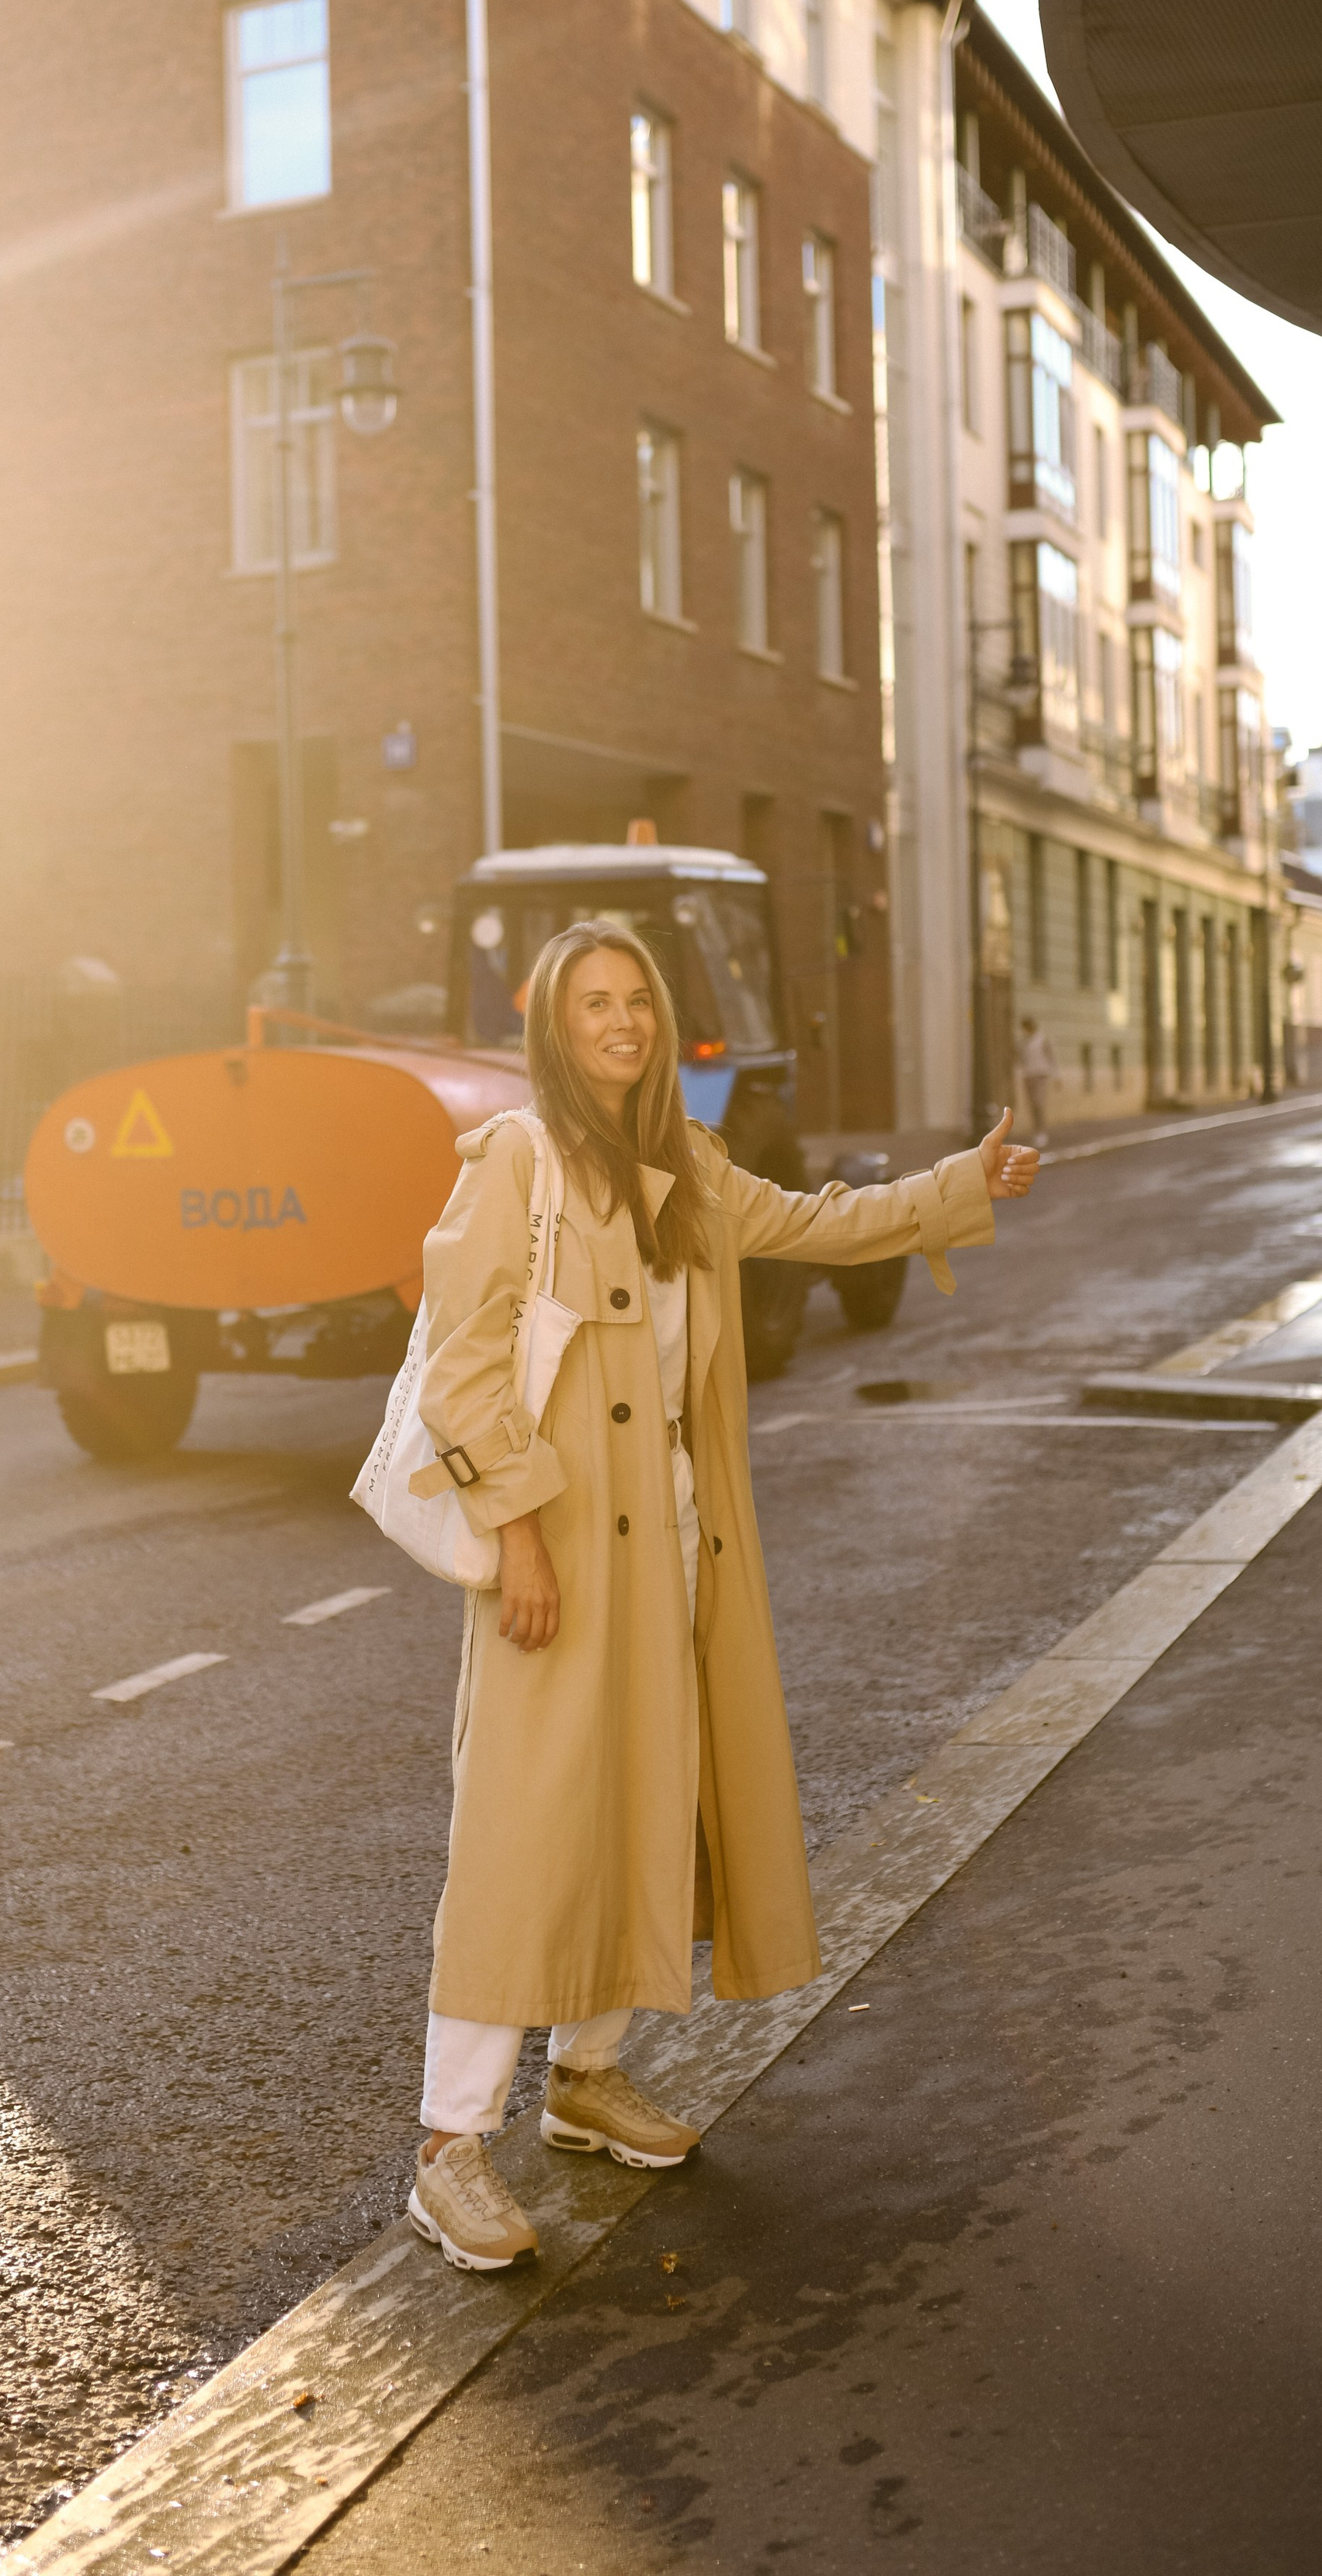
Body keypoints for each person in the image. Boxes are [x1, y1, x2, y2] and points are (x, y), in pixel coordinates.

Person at [404, 919, 1041, 2272]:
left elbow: (821, 1224)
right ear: (554, 1028)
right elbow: (462, 1371)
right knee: (521, 1836)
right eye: (596, 1005)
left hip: (676, 1556)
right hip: (558, 1562)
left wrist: (957, 1183)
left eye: (640, 999)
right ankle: (449, 2146)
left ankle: (587, 2079)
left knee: (650, 1811)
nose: (624, 1023)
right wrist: (518, 1539)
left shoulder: (682, 1167)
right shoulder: (518, 1163)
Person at [1016, 1015, 1060, 1147]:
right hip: (1028, 1076)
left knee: (1038, 1104)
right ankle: (1036, 1132)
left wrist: (1057, 1076)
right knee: (1031, 1105)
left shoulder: (1043, 1039)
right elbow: (1021, 1058)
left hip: (1041, 1075)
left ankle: (1041, 1133)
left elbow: (1052, 1058)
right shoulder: (1024, 1042)